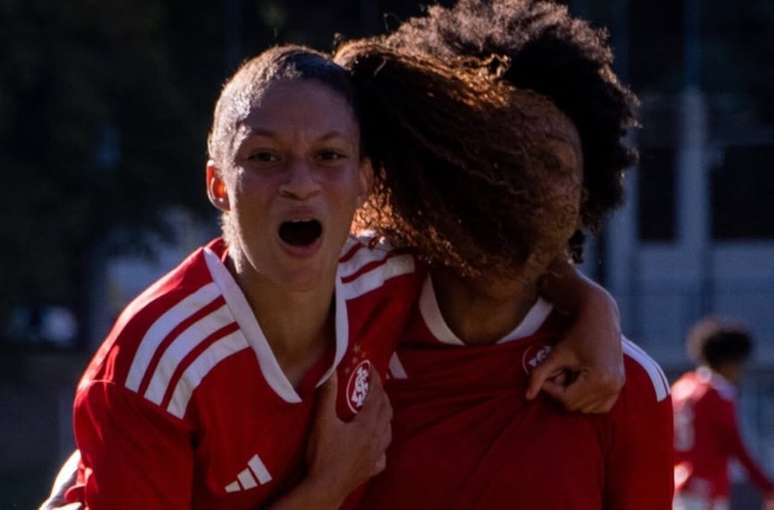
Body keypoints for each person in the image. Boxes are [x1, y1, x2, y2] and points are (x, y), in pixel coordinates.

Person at [41, 43, 627, 510]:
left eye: (328, 156)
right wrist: (327, 489)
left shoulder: (385, 274)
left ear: (365, 181)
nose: (300, 183)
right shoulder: (156, 363)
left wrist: (594, 308)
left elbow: (504, 260)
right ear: (218, 183)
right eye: (264, 157)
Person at [332, 1, 674, 507]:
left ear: (584, 196)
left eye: (553, 166)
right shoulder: (349, 340)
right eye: (495, 158)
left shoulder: (626, 387)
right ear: (435, 171)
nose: (521, 190)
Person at [673, 317, 774, 510]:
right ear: (729, 362)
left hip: (678, 486)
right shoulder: (717, 394)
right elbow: (734, 444)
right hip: (707, 491)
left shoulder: (681, 388)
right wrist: (767, 486)